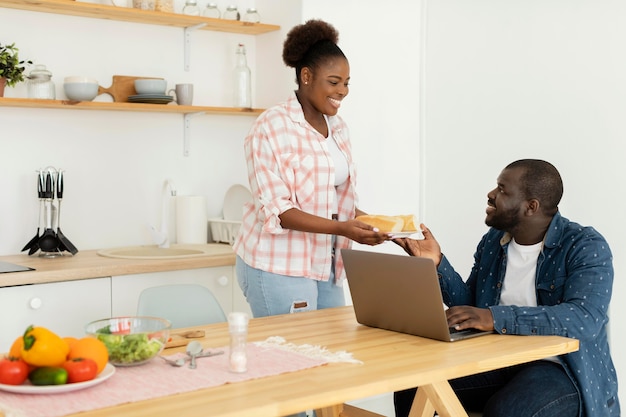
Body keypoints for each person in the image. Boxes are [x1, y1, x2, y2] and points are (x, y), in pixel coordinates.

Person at [393, 159, 619, 417]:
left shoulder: (585, 245)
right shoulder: (493, 241)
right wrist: (436, 264)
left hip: (560, 369)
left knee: (507, 410)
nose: (491, 195)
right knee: (413, 387)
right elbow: (472, 307)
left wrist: (495, 317)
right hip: (499, 358)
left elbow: (584, 318)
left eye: (502, 189)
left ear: (530, 206)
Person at [233, 19, 390, 319]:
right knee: (291, 358)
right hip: (278, 266)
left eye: (346, 83)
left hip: (327, 264)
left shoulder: (339, 128)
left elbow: (333, 200)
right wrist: (343, 228)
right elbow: (278, 211)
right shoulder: (270, 127)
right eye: (334, 82)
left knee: (333, 355)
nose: (343, 91)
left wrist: (378, 224)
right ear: (306, 76)